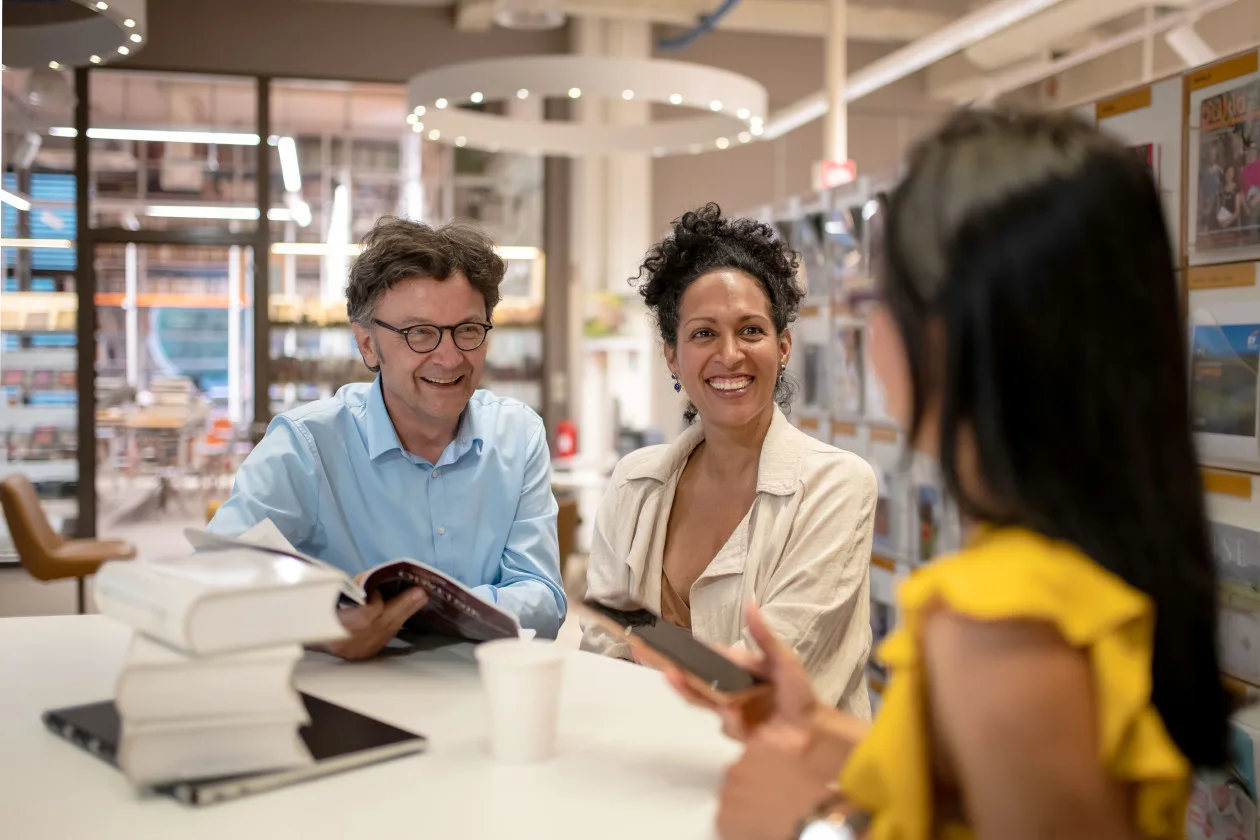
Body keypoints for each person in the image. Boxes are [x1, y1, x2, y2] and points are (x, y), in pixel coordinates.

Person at [667, 110, 1229, 840]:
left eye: (882, 300)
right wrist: (811, 727)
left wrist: (801, 827)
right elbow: (977, 789)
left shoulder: (1009, 622)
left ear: (962, 331)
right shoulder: (1069, 567)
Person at [209, 217, 567, 658]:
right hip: (348, 702)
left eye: (469, 330)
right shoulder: (307, 446)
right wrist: (319, 626)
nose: (450, 356)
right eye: (420, 333)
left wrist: (426, 613)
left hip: (482, 695)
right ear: (367, 345)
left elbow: (545, 601)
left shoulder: (518, 434)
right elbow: (212, 579)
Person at [581, 203, 877, 715]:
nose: (730, 355)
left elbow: (766, 679)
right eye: (703, 333)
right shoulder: (635, 482)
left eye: (751, 331)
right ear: (672, 356)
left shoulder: (836, 485)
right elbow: (600, 653)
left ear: (783, 346)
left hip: (786, 779)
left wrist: (642, 663)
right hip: (644, 772)